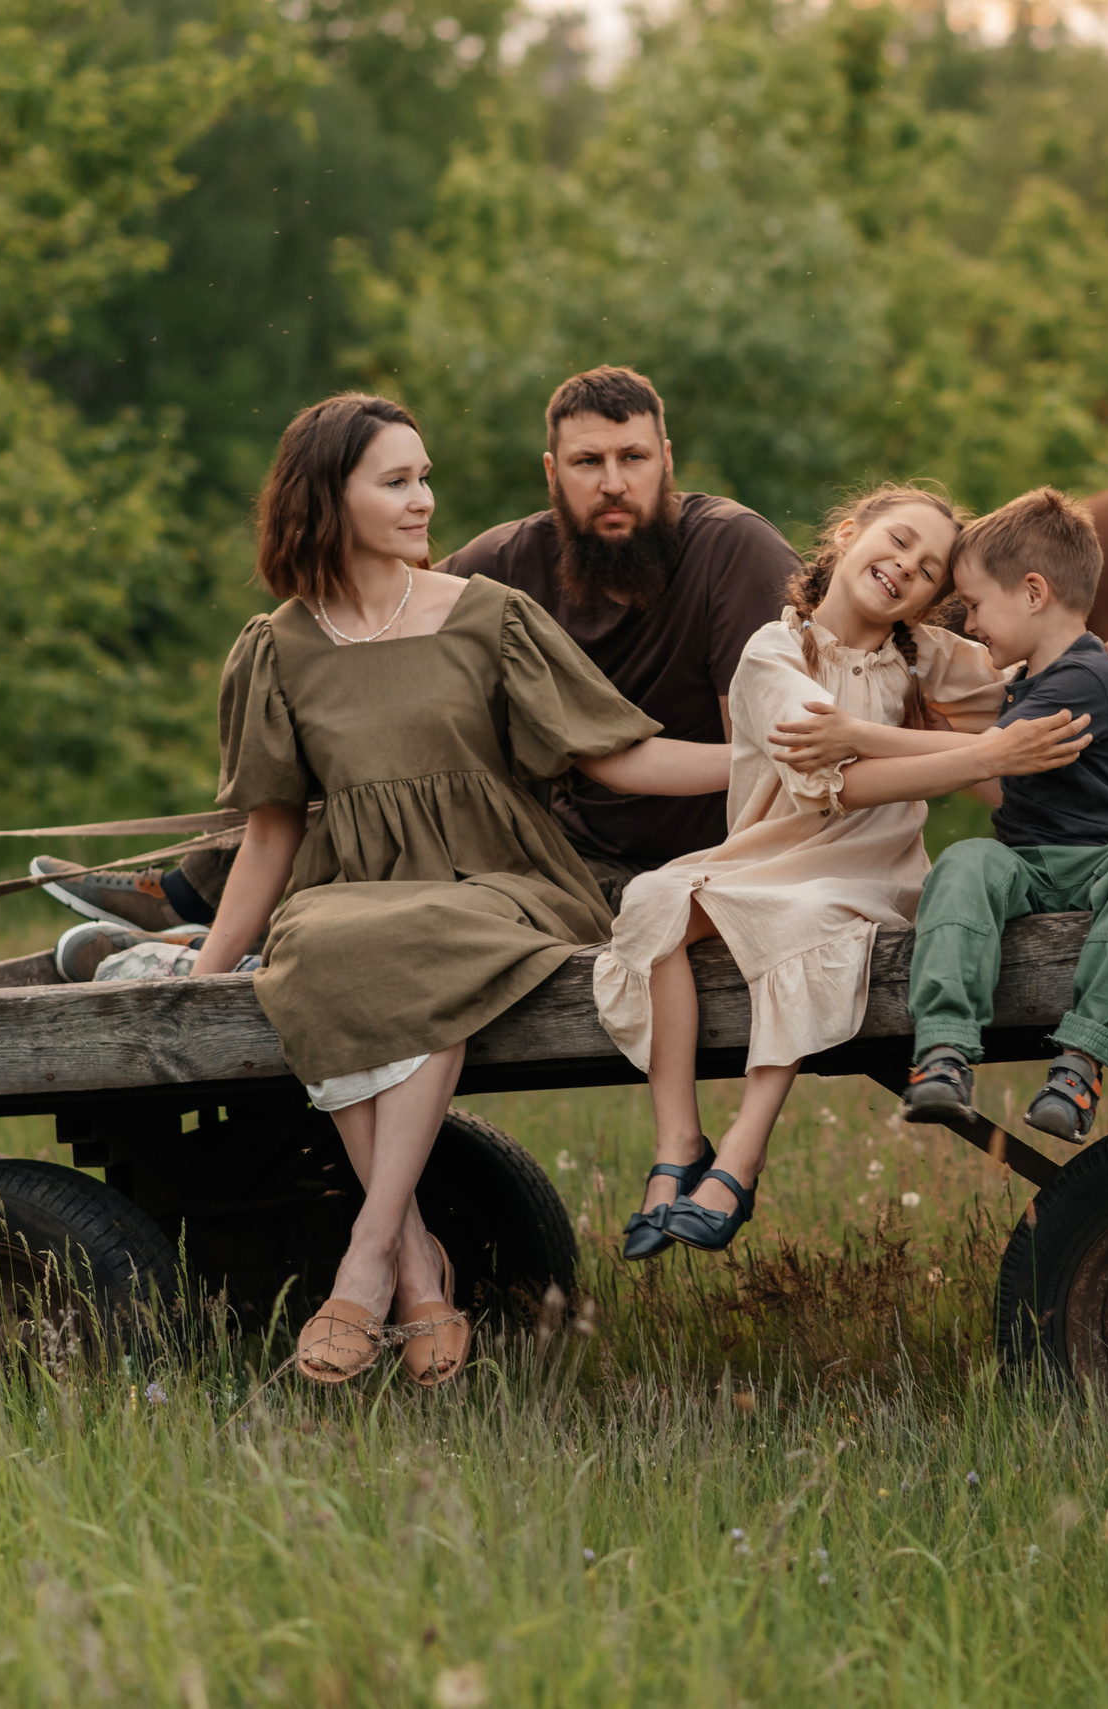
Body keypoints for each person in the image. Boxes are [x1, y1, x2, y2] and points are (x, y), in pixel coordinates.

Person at [189, 393, 721, 1385]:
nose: (424, 498)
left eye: (424, 475)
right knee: (317, 949)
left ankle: (367, 1253)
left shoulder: (486, 616)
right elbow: (269, 835)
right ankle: (419, 1264)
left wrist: (757, 759)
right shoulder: (278, 646)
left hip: (498, 878)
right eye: (396, 481)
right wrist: (203, 969)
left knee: (422, 933)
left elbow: (620, 756)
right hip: (349, 889)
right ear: (326, 497)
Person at [34, 365, 798, 966]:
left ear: (667, 459)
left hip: (668, 856)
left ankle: (186, 946)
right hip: (545, 833)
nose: (612, 483)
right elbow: (382, 663)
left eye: (633, 458)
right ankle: (184, 904)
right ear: (550, 471)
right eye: (587, 461)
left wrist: (727, 887)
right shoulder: (506, 561)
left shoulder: (732, 550)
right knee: (376, 778)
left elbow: (749, 749)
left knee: (416, 900)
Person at [592, 485, 1098, 1259]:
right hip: (771, 853)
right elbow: (834, 776)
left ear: (933, 599)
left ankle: (742, 1155)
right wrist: (982, 757)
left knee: (805, 920)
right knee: (656, 897)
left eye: (928, 570)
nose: (905, 568)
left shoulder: (923, 653)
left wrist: (1107, 659)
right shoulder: (772, 652)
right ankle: (677, 1146)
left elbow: (1039, 673)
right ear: (852, 532)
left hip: (871, 868)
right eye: (896, 541)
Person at [894, 489, 1108, 1142]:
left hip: (1105, 863)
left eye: (975, 605)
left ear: (1034, 593)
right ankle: (944, 1051)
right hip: (1029, 865)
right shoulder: (1029, 676)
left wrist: (852, 739)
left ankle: (1081, 1060)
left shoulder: (1087, 675)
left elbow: (985, 755)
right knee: (968, 860)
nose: (971, 623)